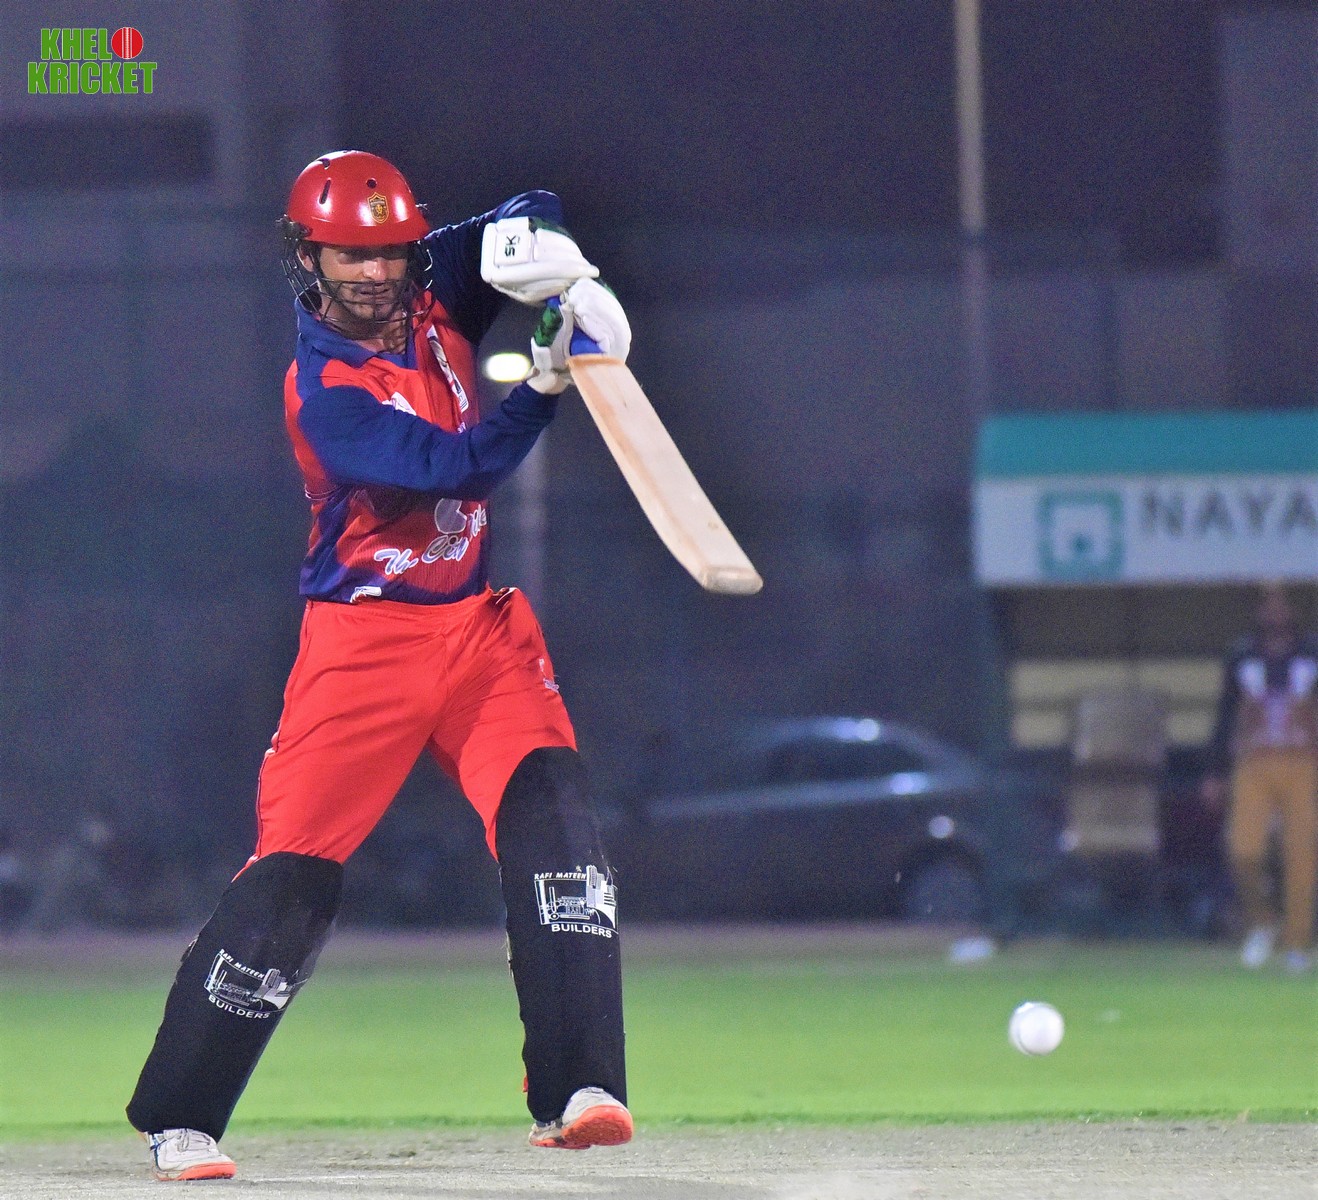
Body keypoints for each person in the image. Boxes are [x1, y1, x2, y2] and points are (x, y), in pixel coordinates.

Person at [126, 151, 635, 1181]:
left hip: (480, 636)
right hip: (363, 650)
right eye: (348, 256)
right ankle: (180, 1118)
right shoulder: (324, 392)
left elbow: (527, 209)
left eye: (389, 253)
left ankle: (579, 1089)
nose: (373, 273)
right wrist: (544, 383)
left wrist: (566, 276)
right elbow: (457, 468)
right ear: (307, 257)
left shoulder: (431, 288)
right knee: (292, 883)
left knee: (557, 829)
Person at [1201, 584, 1318, 973]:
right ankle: (1263, 922)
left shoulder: (1311, 652)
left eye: (1281, 604)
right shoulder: (1242, 655)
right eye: (1268, 604)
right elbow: (1225, 713)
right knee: (1243, 850)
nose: (1275, 613)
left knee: (1302, 854)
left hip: (1303, 761)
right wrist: (1214, 771)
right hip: (1253, 762)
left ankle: (1297, 941)